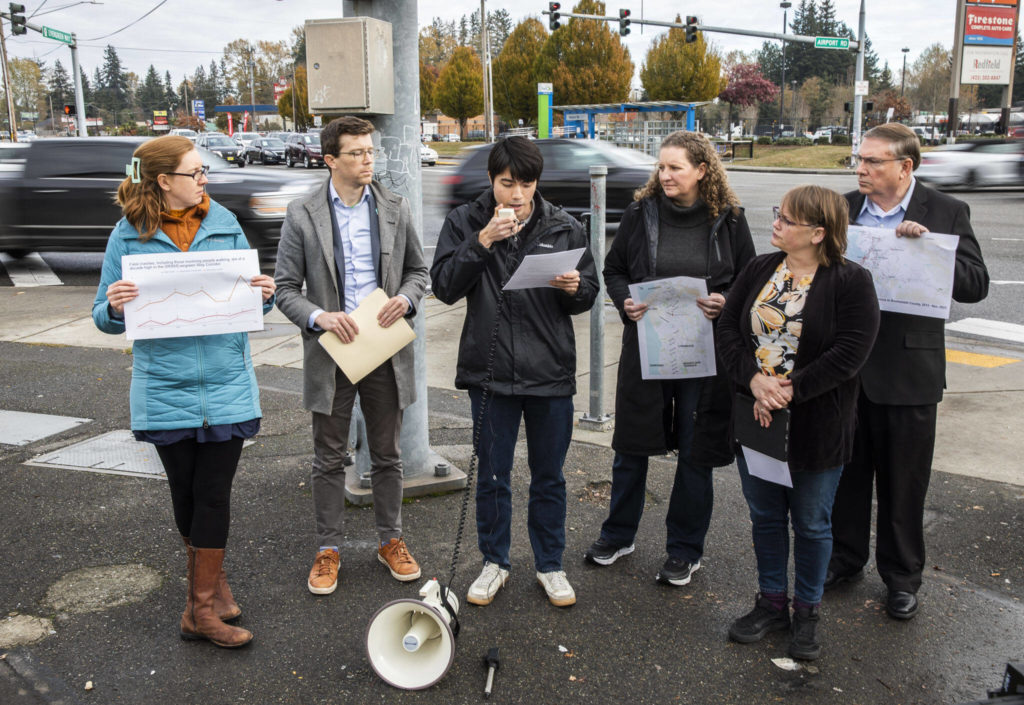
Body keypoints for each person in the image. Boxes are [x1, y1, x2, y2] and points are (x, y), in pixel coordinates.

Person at [93, 135, 277, 648]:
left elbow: (250, 304)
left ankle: (199, 613)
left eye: (203, 173)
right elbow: (101, 317)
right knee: (185, 496)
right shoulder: (126, 236)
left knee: (214, 495)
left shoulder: (224, 223)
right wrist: (115, 307)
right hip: (164, 389)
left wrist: (262, 296)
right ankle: (212, 588)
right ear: (163, 181)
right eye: (196, 173)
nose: (204, 181)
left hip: (226, 385)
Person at [826, 123, 989, 619]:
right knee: (846, 477)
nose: (862, 169)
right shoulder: (844, 209)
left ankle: (901, 578)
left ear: (905, 166)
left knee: (904, 482)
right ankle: (844, 559)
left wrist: (931, 251)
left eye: (873, 162)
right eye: (859, 159)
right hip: (846, 368)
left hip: (909, 370)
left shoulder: (945, 211)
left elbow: (975, 285)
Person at [430, 136, 599, 607]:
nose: (517, 195)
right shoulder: (465, 221)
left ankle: (550, 564)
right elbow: (443, 286)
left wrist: (574, 285)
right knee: (493, 475)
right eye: (508, 184)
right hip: (490, 371)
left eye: (526, 184)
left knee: (550, 475)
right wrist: (483, 241)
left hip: (549, 371)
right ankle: (494, 562)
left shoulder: (563, 224)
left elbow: (589, 292)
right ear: (491, 180)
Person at [583, 130, 755, 586]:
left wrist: (725, 300)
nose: (665, 175)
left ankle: (684, 549)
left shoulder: (730, 219)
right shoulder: (642, 213)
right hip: (648, 345)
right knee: (632, 446)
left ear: (702, 170)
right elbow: (614, 269)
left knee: (696, 452)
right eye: (661, 167)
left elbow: (749, 279)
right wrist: (624, 303)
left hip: (705, 351)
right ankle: (618, 534)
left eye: (675, 168)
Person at [716, 185, 880, 660]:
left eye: (787, 219)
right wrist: (753, 381)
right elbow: (728, 328)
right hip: (756, 419)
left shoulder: (852, 282)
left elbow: (849, 354)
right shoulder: (760, 268)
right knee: (765, 516)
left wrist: (786, 390)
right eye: (779, 215)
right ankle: (771, 602)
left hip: (816, 425)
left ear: (818, 232)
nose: (777, 223)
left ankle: (806, 611)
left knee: (811, 522)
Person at [274, 116, 429, 596]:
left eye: (370, 151)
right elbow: (284, 290)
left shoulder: (395, 208)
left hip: (382, 347)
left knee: (387, 454)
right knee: (328, 457)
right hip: (333, 349)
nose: (368, 160)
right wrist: (320, 317)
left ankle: (391, 541)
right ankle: (328, 549)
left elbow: (418, 273)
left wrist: (405, 300)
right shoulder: (302, 214)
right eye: (357, 153)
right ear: (330, 160)